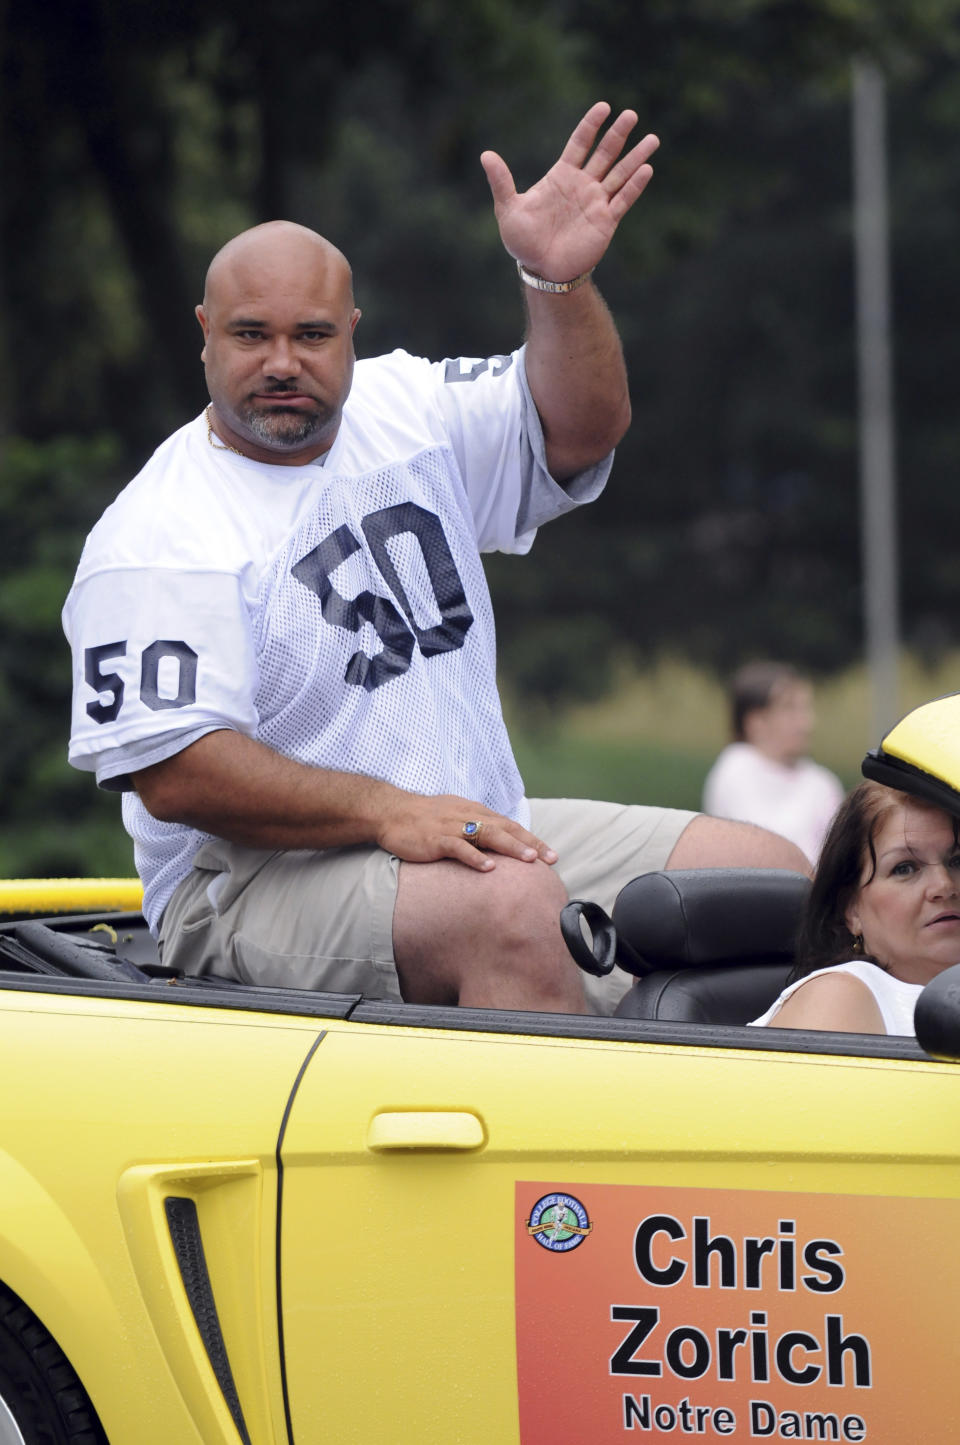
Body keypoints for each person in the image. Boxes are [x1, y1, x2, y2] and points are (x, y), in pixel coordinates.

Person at [63, 102, 808, 1017]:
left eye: (314, 334)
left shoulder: (404, 404)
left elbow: (582, 429)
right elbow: (176, 770)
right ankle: (579, 1155)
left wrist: (555, 283)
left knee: (770, 877)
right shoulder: (156, 532)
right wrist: (388, 811)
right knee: (507, 906)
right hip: (246, 886)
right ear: (206, 332)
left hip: (467, 828)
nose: (283, 362)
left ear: (353, 330)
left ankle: (748, 1143)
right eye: (252, 335)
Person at [751, 781, 960, 1035]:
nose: (944, 885)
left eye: (957, 861)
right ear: (851, 909)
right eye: (904, 868)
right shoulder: (839, 996)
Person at [702, 660, 844, 865]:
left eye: (805, 709)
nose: (806, 723)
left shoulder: (822, 782)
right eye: (789, 708)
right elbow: (754, 853)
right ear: (755, 722)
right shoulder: (735, 769)